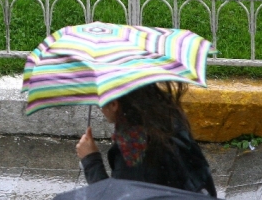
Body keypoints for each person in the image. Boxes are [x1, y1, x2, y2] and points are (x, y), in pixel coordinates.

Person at [75, 81, 217, 197]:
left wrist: (91, 160)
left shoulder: (133, 146)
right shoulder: (166, 117)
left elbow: (117, 196)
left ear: (114, 104)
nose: (99, 107)